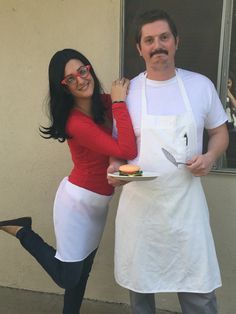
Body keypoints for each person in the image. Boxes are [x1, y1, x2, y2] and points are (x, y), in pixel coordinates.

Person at [107, 9, 229, 314]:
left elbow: (219, 132)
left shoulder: (200, 86)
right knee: (142, 292)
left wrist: (211, 156)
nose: (157, 45)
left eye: (164, 37)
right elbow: (118, 149)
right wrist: (114, 170)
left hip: (186, 212)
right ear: (139, 48)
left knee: (198, 291)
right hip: (141, 213)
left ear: (176, 41)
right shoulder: (129, 92)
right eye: (149, 40)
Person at [0, 48, 137, 314]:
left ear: (89, 69)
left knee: (81, 273)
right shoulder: (75, 121)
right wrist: (119, 103)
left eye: (82, 71)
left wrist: (125, 94)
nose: (80, 80)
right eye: (70, 79)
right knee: (67, 277)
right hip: (76, 205)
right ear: (63, 87)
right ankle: (21, 230)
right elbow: (126, 150)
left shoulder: (102, 102)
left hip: (99, 206)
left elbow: (132, 109)